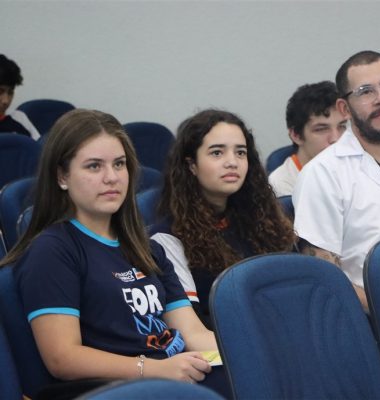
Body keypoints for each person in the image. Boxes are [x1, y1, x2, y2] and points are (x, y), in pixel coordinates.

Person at [0, 109, 228, 398]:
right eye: (94, 167)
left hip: (171, 374)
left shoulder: (147, 247)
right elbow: (63, 359)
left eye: (119, 164)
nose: (112, 178)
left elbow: (194, 334)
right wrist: (154, 370)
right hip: (114, 389)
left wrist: (254, 353)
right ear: (62, 176)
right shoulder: (52, 250)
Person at [151, 109, 296, 327]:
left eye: (240, 153)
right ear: (191, 165)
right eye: (217, 153)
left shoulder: (264, 220)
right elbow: (194, 328)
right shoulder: (168, 238)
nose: (232, 162)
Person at [293, 50, 380, 311]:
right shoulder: (322, 174)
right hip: (377, 323)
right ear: (344, 108)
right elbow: (325, 278)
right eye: (366, 91)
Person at [268, 81, 348, 197]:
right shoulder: (280, 186)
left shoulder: (356, 168)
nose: (336, 139)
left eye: (341, 126)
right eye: (321, 129)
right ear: (296, 135)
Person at [0, 54, 40, 140]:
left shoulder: (19, 119)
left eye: (10, 92)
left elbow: (41, 150)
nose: (6, 101)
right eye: (0, 91)